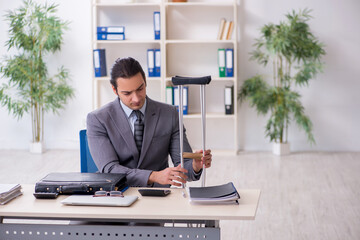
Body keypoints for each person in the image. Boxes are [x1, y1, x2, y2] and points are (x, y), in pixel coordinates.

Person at [87, 57, 212, 187]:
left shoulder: (169, 114)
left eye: (140, 89)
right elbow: (110, 170)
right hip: (118, 192)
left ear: (145, 81)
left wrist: (195, 165)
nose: (135, 98)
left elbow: (184, 168)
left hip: (158, 196)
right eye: (127, 93)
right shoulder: (98, 119)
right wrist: (153, 176)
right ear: (114, 90)